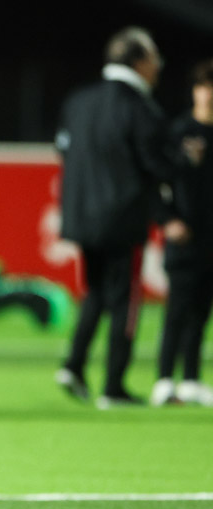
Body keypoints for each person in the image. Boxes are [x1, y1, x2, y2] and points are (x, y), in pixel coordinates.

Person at [53, 26, 187, 409]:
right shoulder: (139, 107)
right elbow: (156, 164)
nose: (158, 67)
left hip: (81, 214)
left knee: (95, 291)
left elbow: (62, 149)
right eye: (153, 58)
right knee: (126, 301)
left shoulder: (79, 100)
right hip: (123, 217)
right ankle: (114, 385)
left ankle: (74, 365)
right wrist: (184, 164)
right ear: (139, 61)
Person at [151, 59, 213, 407]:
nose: (208, 94)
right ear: (195, 91)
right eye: (203, 86)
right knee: (177, 308)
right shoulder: (179, 133)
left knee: (201, 311)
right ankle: (163, 379)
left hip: (211, 239)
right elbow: (155, 184)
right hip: (183, 237)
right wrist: (167, 219)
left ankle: (190, 379)